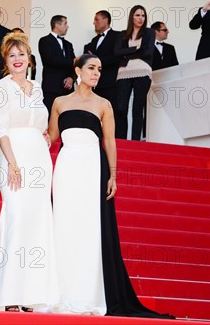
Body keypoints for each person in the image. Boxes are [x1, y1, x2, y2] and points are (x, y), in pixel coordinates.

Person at [47, 54, 173, 318]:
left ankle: (89, 292)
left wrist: (113, 175)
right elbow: (52, 137)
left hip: (93, 168)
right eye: (91, 68)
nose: (96, 73)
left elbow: (110, 143)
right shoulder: (59, 102)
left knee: (90, 228)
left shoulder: (104, 104)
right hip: (66, 169)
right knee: (63, 225)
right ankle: (58, 290)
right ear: (78, 70)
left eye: (100, 69)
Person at [0, 32, 58, 313]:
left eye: (22, 54)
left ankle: (31, 295)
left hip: (40, 160)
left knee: (37, 225)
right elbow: (1, 129)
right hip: (13, 158)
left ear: (30, 58)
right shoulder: (0, 87)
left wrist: (46, 138)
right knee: (17, 221)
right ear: (6, 61)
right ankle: (10, 296)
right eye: (12, 55)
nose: (18, 60)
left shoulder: (38, 87)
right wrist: (13, 163)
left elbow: (41, 122)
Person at [113, 5, 155, 141]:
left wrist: (127, 53)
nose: (140, 18)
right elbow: (117, 53)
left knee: (137, 109)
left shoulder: (149, 32)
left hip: (143, 71)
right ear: (132, 16)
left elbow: (148, 52)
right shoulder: (122, 34)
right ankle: (120, 140)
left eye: (143, 15)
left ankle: (135, 141)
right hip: (123, 72)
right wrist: (135, 49)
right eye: (137, 15)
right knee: (120, 108)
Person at [38, 15, 75, 115]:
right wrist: (73, 61)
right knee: (50, 118)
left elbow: (74, 66)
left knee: (67, 118)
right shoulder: (44, 41)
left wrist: (71, 78)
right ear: (57, 25)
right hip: (51, 88)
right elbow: (50, 60)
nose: (67, 26)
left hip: (68, 90)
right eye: (65, 23)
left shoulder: (68, 44)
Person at [83, 10, 120, 106]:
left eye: (96, 20)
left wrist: (96, 60)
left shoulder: (118, 36)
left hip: (111, 84)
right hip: (95, 86)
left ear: (105, 20)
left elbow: (116, 58)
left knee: (112, 114)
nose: (94, 22)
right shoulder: (94, 40)